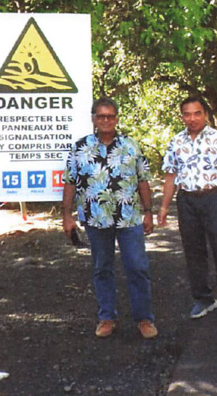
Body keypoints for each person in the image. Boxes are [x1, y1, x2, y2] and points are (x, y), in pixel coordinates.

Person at [62, 96, 157, 339]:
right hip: (96, 219)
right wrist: (67, 216)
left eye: (110, 116)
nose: (106, 120)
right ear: (93, 119)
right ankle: (106, 317)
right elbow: (70, 183)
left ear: (116, 119)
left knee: (137, 267)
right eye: (101, 116)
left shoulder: (131, 146)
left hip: (129, 218)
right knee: (102, 268)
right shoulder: (80, 148)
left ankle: (144, 318)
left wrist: (149, 212)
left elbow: (143, 180)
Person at [157, 96, 217, 320]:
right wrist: (164, 207)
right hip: (187, 200)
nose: (192, 118)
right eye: (187, 114)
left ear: (205, 114)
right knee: (193, 250)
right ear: (182, 117)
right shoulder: (176, 141)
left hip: (213, 198)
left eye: (197, 113)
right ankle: (203, 299)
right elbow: (170, 176)